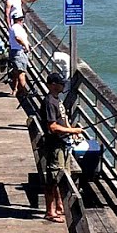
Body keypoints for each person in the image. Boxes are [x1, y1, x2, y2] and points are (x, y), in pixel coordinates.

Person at [36, 73, 81, 222]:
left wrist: (71, 131)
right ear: (53, 84)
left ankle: (60, 207)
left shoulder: (57, 100)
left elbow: (63, 119)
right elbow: (53, 126)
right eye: (61, 83)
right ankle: (50, 212)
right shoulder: (49, 102)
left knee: (63, 176)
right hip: (55, 146)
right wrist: (73, 131)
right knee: (53, 179)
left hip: (63, 143)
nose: (63, 86)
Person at [7, 19, 30, 100]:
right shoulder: (17, 27)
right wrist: (25, 46)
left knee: (16, 72)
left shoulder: (13, 27)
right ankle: (25, 91)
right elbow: (17, 37)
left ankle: (16, 90)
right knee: (21, 73)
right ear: (21, 20)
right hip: (19, 52)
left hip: (14, 51)